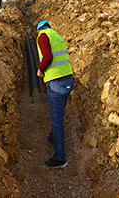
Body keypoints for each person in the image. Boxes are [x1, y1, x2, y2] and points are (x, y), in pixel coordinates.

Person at [36, 20, 74, 168]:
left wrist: (40, 70)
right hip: (68, 80)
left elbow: (47, 57)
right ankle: (53, 136)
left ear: (39, 29)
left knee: (56, 120)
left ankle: (60, 159)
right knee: (58, 114)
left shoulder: (43, 36)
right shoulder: (56, 35)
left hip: (56, 83)